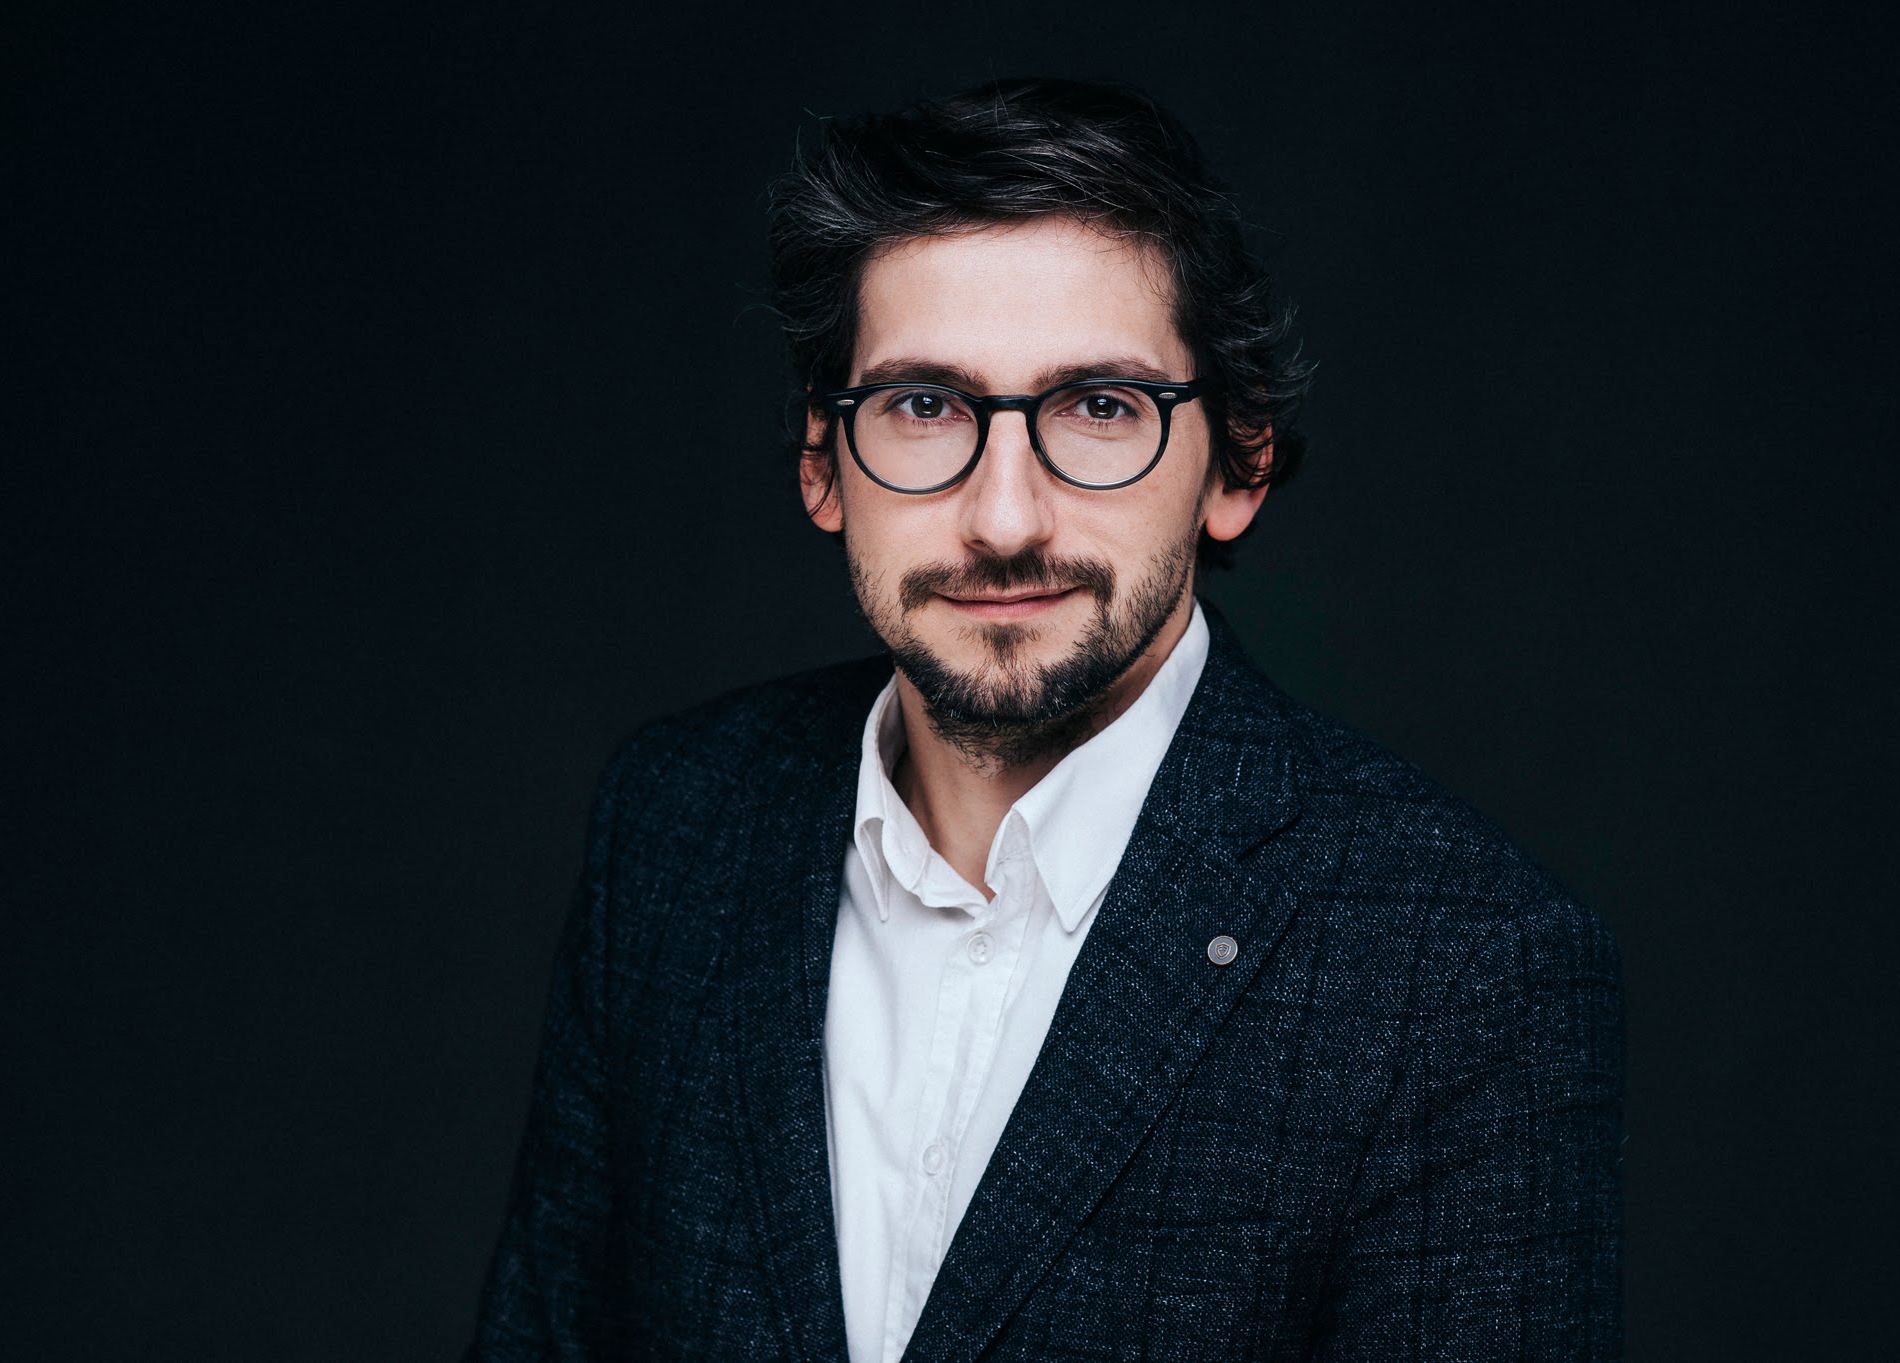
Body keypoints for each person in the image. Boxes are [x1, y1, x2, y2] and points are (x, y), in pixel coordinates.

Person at [466, 77, 1622, 1362]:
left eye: (1098, 406)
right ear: (819, 463)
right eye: (923, 405)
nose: (1003, 518)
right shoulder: (675, 824)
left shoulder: (1459, 966)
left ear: (1238, 462)